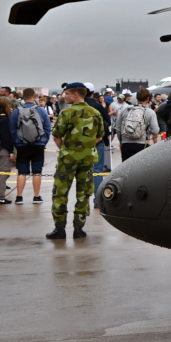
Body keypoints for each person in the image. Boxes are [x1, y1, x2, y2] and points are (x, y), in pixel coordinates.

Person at [47, 83, 104, 240]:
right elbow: (100, 136)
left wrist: (66, 150)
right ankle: (79, 229)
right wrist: (86, 147)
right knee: (83, 194)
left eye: (67, 94)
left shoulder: (66, 113)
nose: (64, 97)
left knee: (60, 193)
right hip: (87, 159)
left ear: (76, 94)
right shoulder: (95, 112)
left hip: (67, 159)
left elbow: (56, 136)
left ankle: (60, 229)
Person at [10, 87, 52, 204]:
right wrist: (43, 141)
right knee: (37, 171)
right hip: (38, 144)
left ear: (23, 96)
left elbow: (12, 130)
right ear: (34, 96)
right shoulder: (41, 111)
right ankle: (36, 196)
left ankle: (19, 197)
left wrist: (17, 142)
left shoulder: (17, 111)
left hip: (21, 145)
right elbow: (47, 128)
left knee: (22, 172)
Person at [115, 89, 161, 161]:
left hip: (126, 143)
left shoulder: (125, 110)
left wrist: (121, 142)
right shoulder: (150, 112)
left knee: (126, 169)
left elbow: (118, 128)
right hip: (142, 143)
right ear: (148, 99)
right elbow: (155, 130)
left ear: (137, 98)